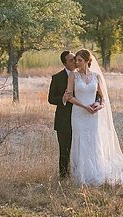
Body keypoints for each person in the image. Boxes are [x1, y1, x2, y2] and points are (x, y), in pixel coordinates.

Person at [62, 48, 123, 187]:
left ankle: (96, 172)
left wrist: (99, 106)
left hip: (93, 115)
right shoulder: (73, 76)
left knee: (94, 141)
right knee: (81, 142)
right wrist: (85, 106)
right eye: (76, 60)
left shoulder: (96, 76)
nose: (76, 63)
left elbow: (103, 98)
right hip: (79, 114)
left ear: (87, 61)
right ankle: (82, 176)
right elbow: (69, 97)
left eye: (79, 60)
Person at [48, 50, 76, 179]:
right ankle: (64, 177)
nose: (74, 61)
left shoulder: (83, 75)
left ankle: (79, 174)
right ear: (65, 63)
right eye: (71, 60)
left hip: (81, 119)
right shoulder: (57, 78)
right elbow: (51, 98)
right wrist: (63, 99)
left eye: (75, 58)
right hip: (64, 120)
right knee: (64, 150)